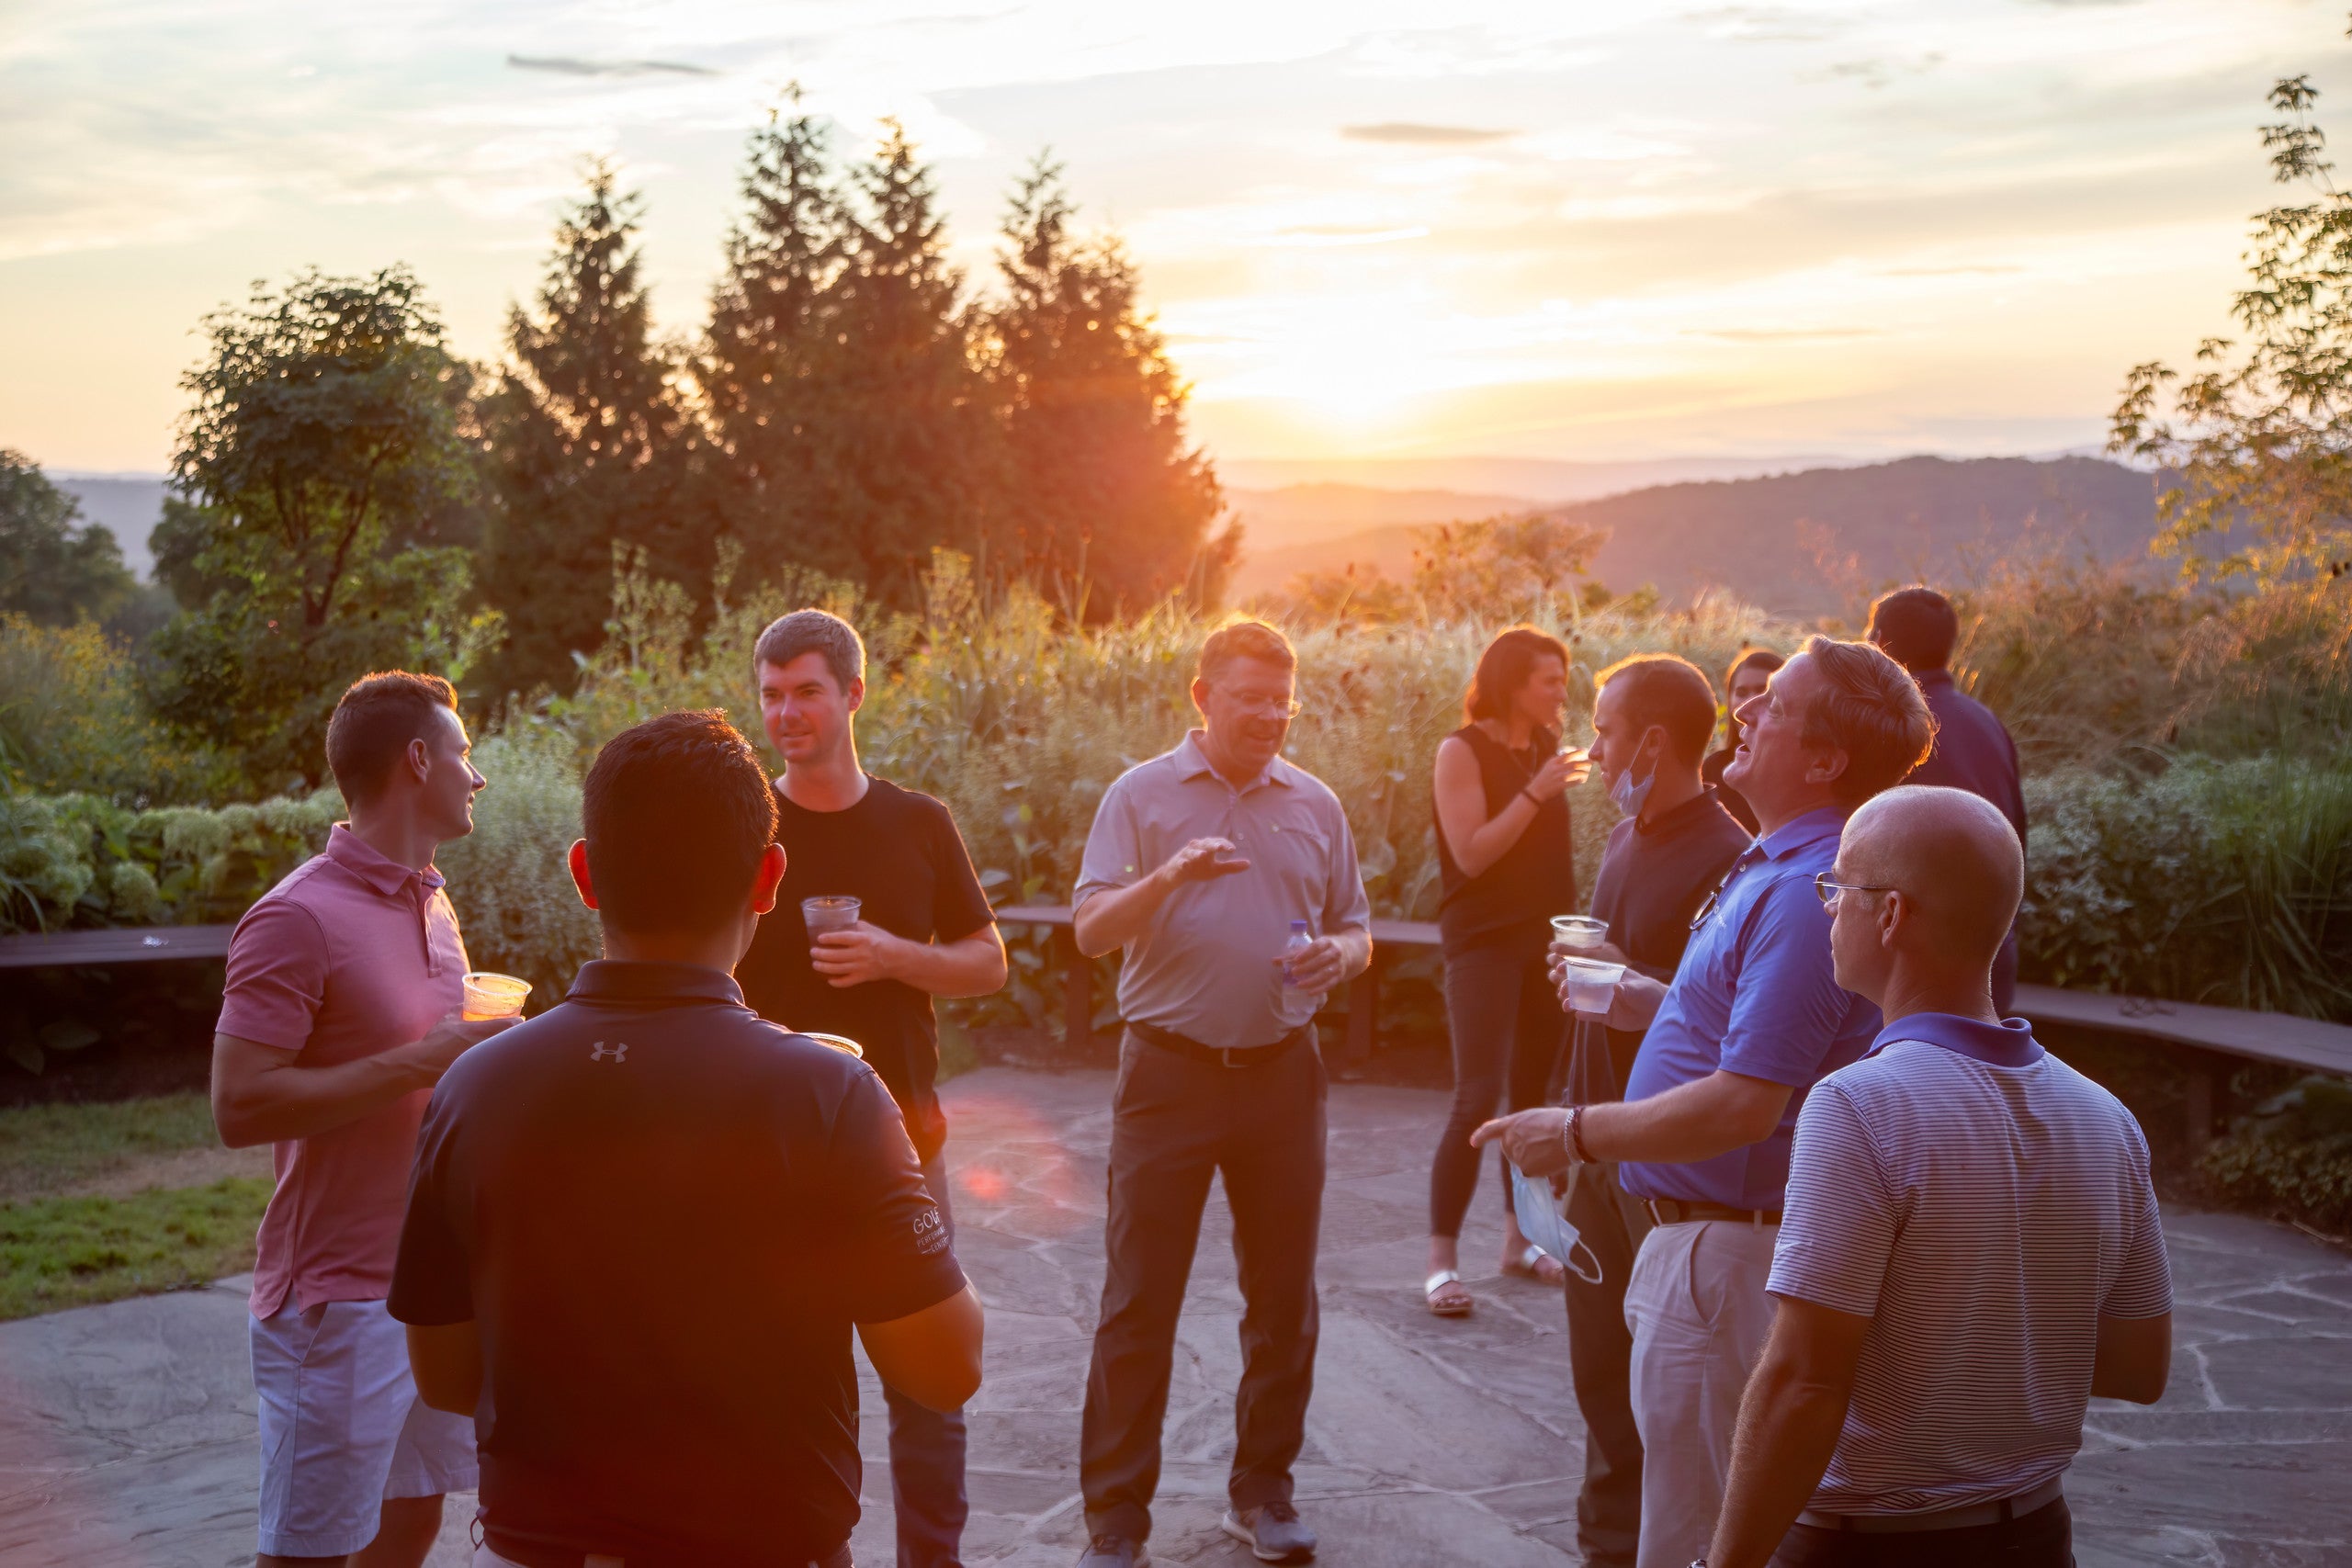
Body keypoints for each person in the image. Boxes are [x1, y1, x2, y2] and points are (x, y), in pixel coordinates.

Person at [390, 710, 985, 1568]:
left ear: (585, 874)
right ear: (770, 877)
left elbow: (446, 1379)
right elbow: (945, 1367)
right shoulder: (829, 1095)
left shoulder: (473, 1087)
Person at [1475, 636, 1933, 1568]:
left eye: (1777, 705)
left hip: (1728, 1250)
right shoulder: (1775, 861)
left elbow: (1743, 1106)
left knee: (1696, 1539)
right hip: (1698, 1237)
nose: (1749, 707)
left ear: (1824, 759)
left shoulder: (1807, 893)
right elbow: (1739, 1033)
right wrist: (1650, 998)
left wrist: (1571, 1133)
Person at [1703, 785, 2172, 1568]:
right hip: (2035, 1535)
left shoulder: (1860, 1104)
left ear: (1890, 914)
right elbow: (2139, 1366)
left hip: (1868, 1545)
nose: (1826, 907)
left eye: (1839, 887)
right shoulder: (2107, 1117)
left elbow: (1804, 1384)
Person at [1069, 618, 1374, 1568]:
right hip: (1167, 1075)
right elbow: (1088, 932)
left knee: (1282, 1299)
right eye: (1251, 699)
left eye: (1283, 701)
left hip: (1282, 1076)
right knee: (1138, 1302)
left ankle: (1264, 1493)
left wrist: (1342, 955)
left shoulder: (1315, 804)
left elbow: (1358, 926)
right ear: (1203, 699)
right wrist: (1170, 873)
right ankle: (1116, 1520)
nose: (1272, 717)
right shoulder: (1142, 795)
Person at [210, 671, 513, 1568]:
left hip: (431, 1282)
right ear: (417, 761)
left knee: (413, 1518)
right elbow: (237, 1105)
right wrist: (421, 1061)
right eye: (463, 753)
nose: (476, 775)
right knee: (309, 1554)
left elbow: (438, 1065)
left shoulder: (433, 897)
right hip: (336, 1299)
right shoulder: (294, 917)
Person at [734, 609, 1009, 1568]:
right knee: (784, 1389)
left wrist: (894, 955)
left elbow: (988, 963)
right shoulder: (744, 827)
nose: (785, 713)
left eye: (805, 690)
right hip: (768, 1160)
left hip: (903, 1150)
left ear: (852, 694)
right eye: (770, 694)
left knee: (928, 1387)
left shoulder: (917, 822)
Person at [1557, 653, 1754, 1568]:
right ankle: (1605, 1548)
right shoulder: (1627, 835)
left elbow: (1733, 1023)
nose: (1593, 751)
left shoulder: (1731, 857)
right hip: (1596, 1144)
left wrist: (1634, 988)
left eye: (1602, 730)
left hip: (1667, 1164)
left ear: (1652, 740)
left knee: (1664, 1395)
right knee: (1598, 1378)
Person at [1422, 626, 1589, 1317]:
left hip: (1544, 940)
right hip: (1483, 942)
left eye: (1562, 679)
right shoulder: (1460, 751)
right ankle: (1439, 1262)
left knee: (1533, 1098)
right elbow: (1472, 854)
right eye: (1548, 680)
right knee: (1479, 1094)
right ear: (1512, 683)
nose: (1560, 692)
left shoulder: (1548, 748)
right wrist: (1535, 793)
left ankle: (1521, 1241)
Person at [1865, 586, 2028, 1010]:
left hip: (1919, 969)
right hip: (1990, 954)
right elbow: (2017, 839)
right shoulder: (1987, 722)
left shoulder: (1893, 729)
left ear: (1880, 641)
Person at [1702, 649, 1781, 835]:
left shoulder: (1801, 768)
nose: (1749, 703)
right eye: (1741, 692)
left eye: (1762, 691)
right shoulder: (1714, 769)